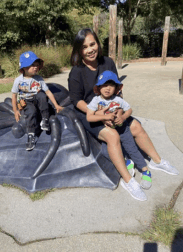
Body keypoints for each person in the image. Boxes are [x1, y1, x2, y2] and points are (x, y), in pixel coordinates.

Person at [68, 28, 179, 201]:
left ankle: (157, 161)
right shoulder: (77, 71)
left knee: (135, 126)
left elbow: (117, 90)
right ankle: (128, 180)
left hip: (111, 107)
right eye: (84, 47)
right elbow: (76, 101)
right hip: (88, 111)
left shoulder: (108, 62)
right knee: (113, 136)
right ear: (79, 50)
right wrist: (99, 114)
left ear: (98, 43)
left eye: (92, 44)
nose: (90, 49)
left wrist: (119, 111)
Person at [12, 51, 63, 151]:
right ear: (24, 68)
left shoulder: (39, 79)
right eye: (32, 65)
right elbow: (14, 95)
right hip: (26, 102)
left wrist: (56, 105)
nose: (36, 67)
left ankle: (45, 119)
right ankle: (31, 135)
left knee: (41, 95)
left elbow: (48, 92)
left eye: (37, 65)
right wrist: (15, 111)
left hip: (37, 99)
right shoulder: (18, 80)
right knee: (31, 113)